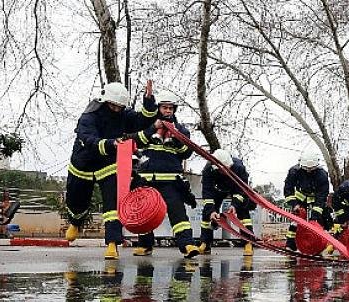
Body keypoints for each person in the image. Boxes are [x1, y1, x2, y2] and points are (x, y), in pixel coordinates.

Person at [63, 80, 158, 260]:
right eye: (113, 106)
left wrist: (148, 101)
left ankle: (113, 244)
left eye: (119, 107)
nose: (116, 110)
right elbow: (89, 139)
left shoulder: (123, 114)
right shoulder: (88, 117)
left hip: (108, 162)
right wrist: (110, 143)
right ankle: (75, 222)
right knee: (76, 200)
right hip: (83, 163)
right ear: (105, 101)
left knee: (113, 204)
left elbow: (143, 120)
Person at [131, 90, 200, 258]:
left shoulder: (181, 130)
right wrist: (153, 129)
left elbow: (186, 153)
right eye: (164, 108)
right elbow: (135, 141)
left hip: (171, 181)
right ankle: (145, 245)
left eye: (170, 108)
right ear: (158, 108)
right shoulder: (147, 126)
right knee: (145, 214)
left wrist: (176, 137)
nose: (168, 111)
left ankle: (187, 245)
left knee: (178, 214)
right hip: (148, 179)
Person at [197, 149, 256, 256]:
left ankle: (248, 243)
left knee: (243, 211)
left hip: (236, 189)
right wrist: (211, 211)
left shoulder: (239, 168)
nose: (223, 172)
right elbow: (207, 193)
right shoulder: (208, 170)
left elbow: (242, 191)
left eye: (226, 169)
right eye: (220, 170)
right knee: (207, 213)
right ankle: (205, 243)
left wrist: (235, 205)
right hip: (217, 189)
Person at [283, 150, 330, 251]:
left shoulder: (322, 175)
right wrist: (294, 204)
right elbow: (288, 189)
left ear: (316, 166)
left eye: (311, 168)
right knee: (296, 220)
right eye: (306, 168)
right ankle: (291, 245)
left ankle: (320, 244)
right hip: (301, 197)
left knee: (320, 220)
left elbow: (322, 195)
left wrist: (314, 217)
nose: (309, 170)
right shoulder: (294, 171)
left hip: (316, 199)